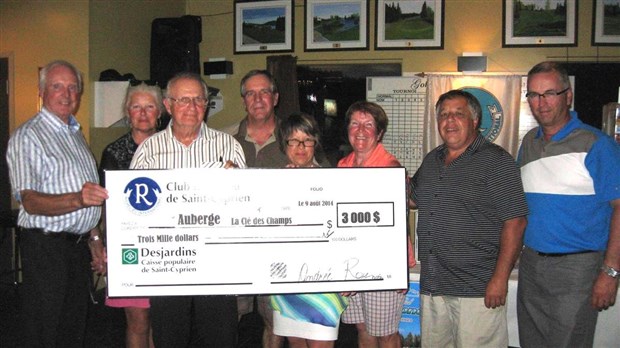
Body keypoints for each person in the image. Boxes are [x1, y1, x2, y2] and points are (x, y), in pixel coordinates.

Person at [130, 72, 246, 347]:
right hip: (168, 262)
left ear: (206, 105)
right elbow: (133, 210)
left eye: (198, 100)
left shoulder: (228, 146)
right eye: (183, 100)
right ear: (168, 105)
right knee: (170, 338)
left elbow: (246, 204)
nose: (192, 107)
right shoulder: (149, 150)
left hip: (217, 264)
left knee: (220, 338)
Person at [410, 90, 528, 347]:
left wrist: (499, 278)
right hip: (433, 286)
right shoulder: (432, 159)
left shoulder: (496, 161)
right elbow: (412, 198)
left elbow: (516, 222)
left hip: (477, 289)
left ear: (475, 121)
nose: (449, 120)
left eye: (458, 114)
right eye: (443, 115)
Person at [517, 61, 620, 347]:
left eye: (550, 93)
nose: (541, 103)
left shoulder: (596, 144)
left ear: (568, 95)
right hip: (532, 264)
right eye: (534, 95)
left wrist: (610, 272)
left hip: (578, 270)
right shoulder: (528, 143)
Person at [6, 60, 108, 347]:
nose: (67, 94)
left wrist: (95, 238)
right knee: (44, 330)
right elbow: (30, 202)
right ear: (42, 92)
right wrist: (77, 199)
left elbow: (90, 199)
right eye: (57, 86)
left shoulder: (74, 133)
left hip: (76, 249)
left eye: (73, 87)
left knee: (73, 327)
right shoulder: (29, 136)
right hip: (46, 249)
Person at [222, 69, 289, 348]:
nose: (258, 98)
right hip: (233, 248)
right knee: (226, 319)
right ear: (243, 99)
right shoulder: (223, 141)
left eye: (264, 92)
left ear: (275, 97)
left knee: (275, 322)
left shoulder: (295, 138)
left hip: (279, 248)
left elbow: (320, 181)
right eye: (250, 93)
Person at [338, 101, 414, 348]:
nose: (360, 130)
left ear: (379, 133)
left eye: (368, 125)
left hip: (383, 262)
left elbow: (392, 229)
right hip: (353, 260)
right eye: (354, 123)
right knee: (362, 327)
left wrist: (397, 271)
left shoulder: (390, 168)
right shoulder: (343, 166)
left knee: (385, 333)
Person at [270, 113, 348, 348]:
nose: (301, 147)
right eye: (293, 141)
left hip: (323, 280)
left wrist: (349, 274)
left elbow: (345, 232)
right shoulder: (271, 183)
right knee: (295, 343)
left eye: (307, 140)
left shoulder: (332, 180)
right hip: (286, 280)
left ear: (316, 142)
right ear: (285, 145)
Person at [99, 83, 163, 348]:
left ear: (160, 111)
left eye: (149, 106)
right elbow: (104, 206)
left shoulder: (174, 148)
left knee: (162, 324)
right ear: (128, 111)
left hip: (168, 250)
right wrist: (102, 245)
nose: (143, 113)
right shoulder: (113, 153)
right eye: (136, 106)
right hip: (130, 250)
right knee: (138, 322)